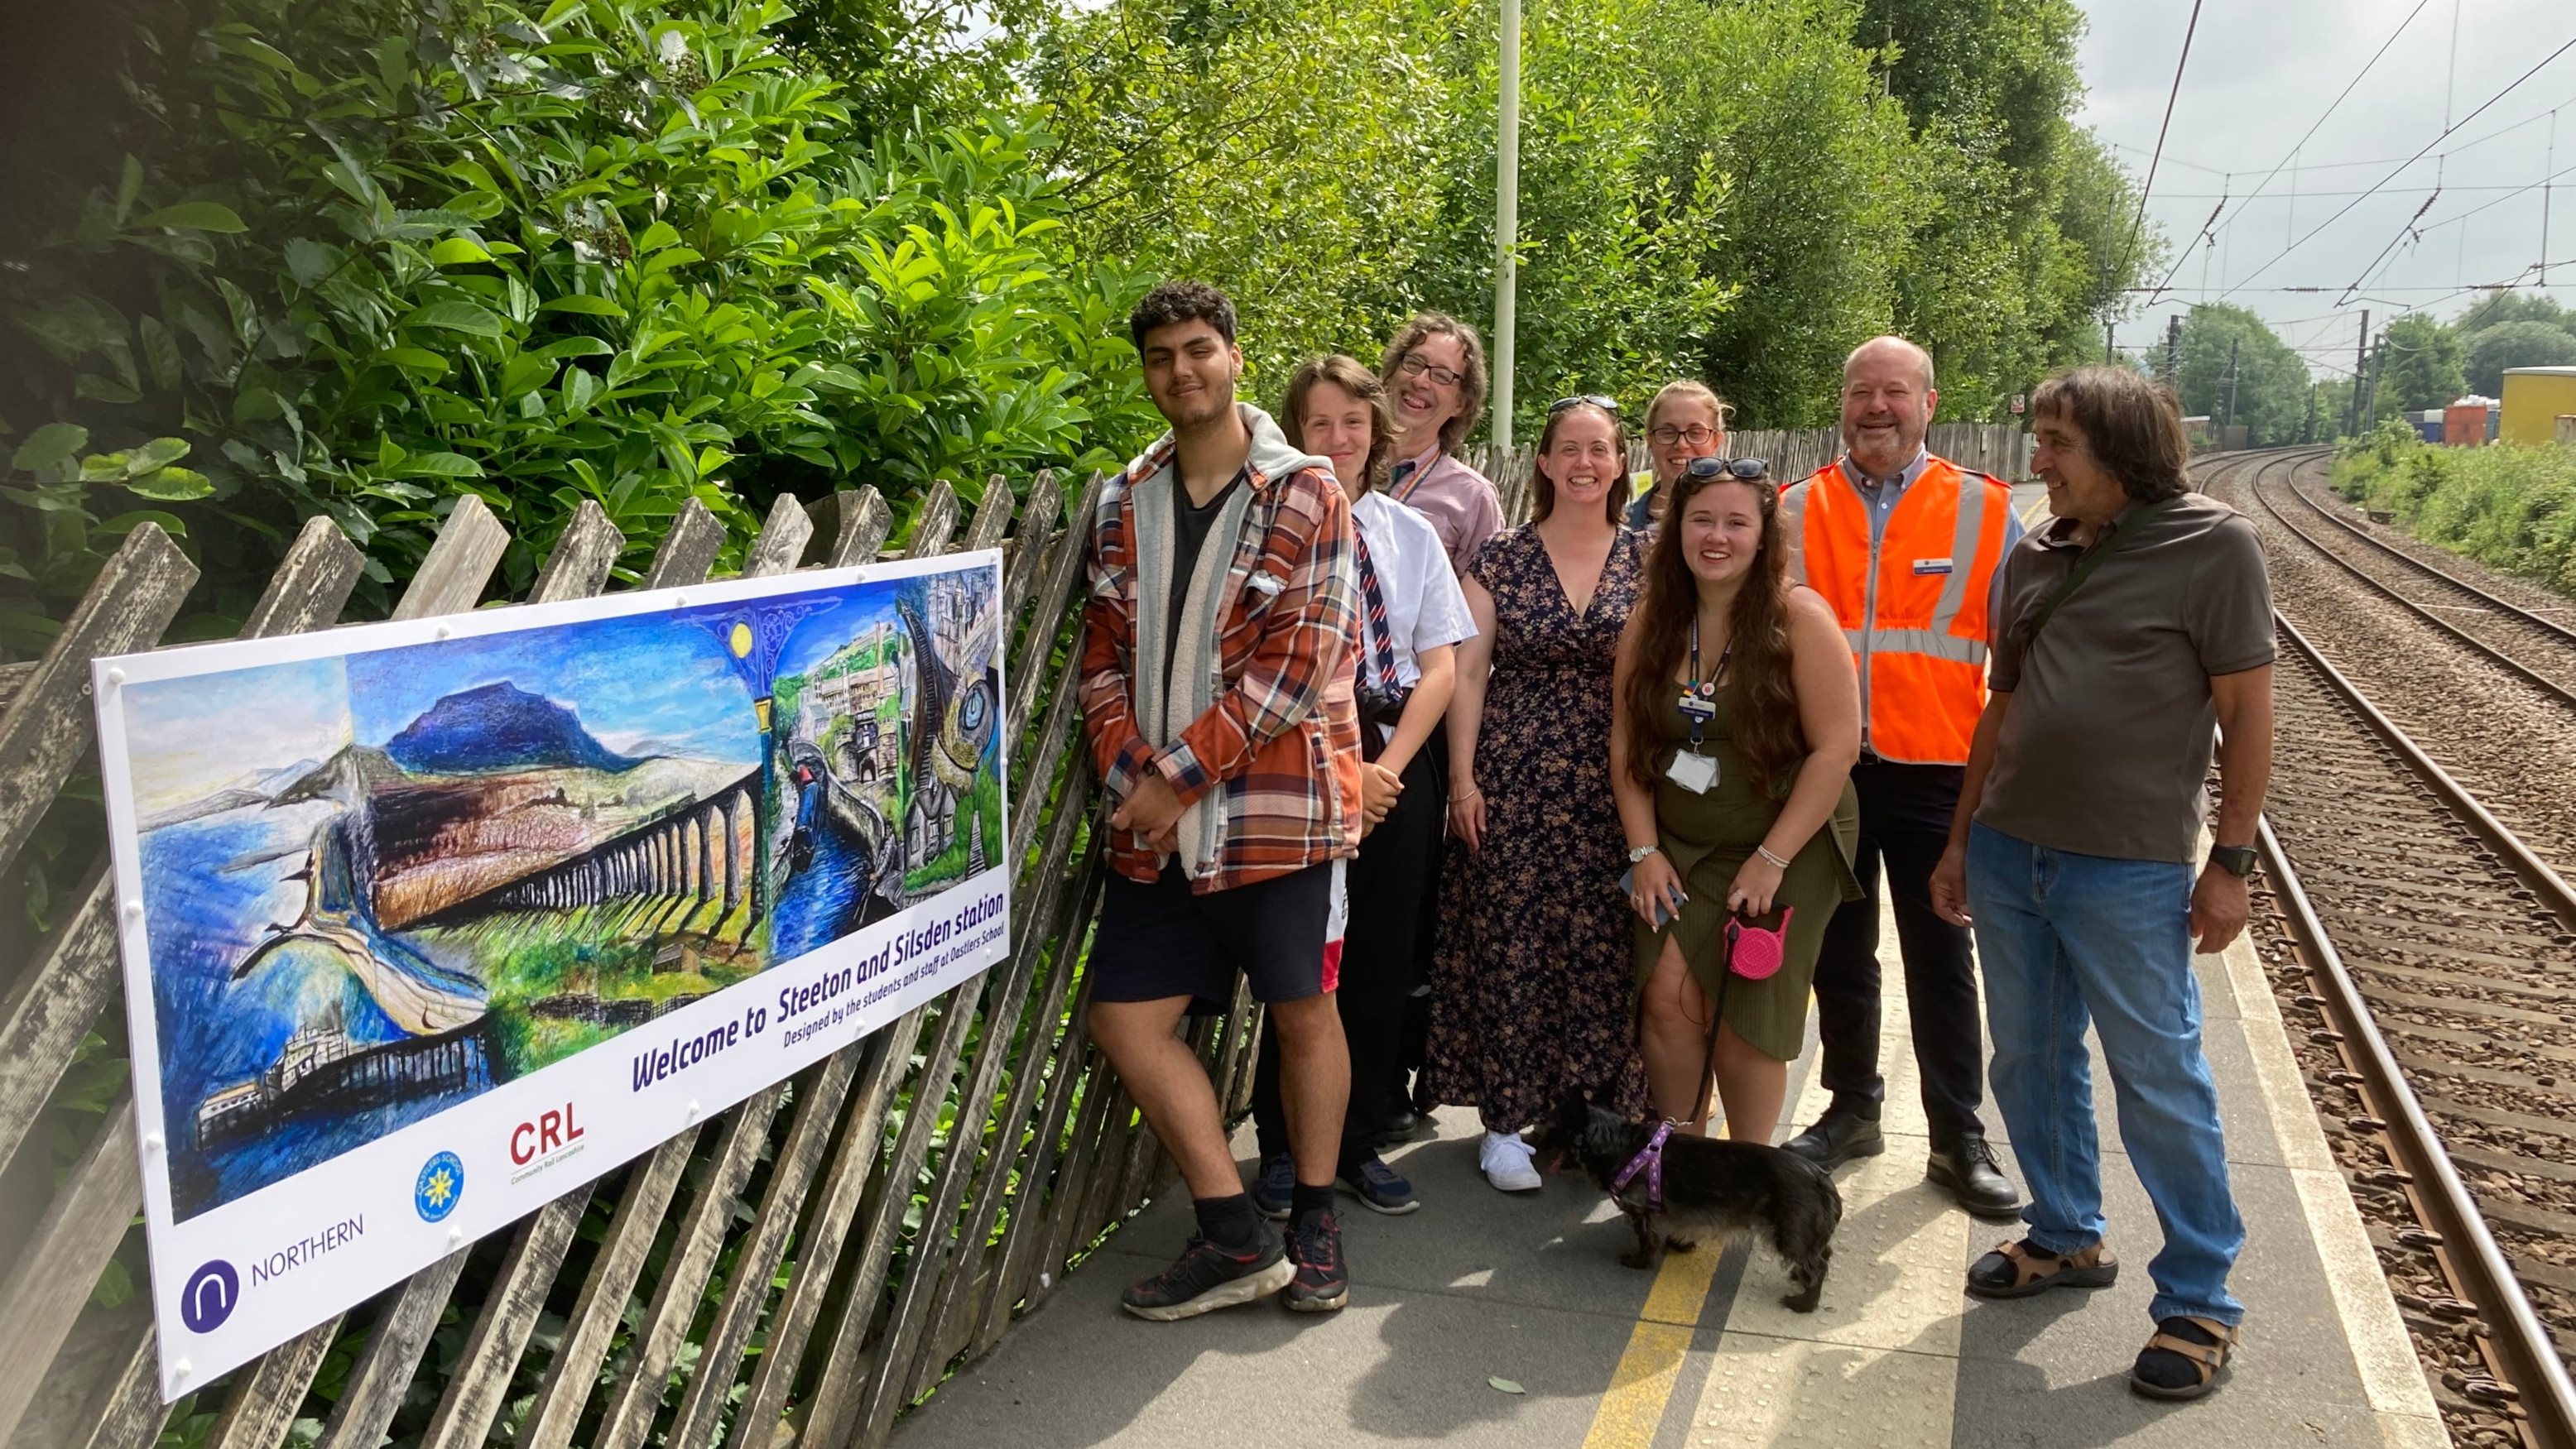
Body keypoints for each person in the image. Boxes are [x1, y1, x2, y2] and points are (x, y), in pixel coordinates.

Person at [1929, 364, 2271, 1401]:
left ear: (2122, 450)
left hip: (2126, 864)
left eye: (2055, 442)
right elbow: (2001, 703)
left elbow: (2245, 717)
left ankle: (2200, 1298)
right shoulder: (2035, 550)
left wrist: (2231, 862)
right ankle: (2067, 1231)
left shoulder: (2214, 546)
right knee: (2029, 1059)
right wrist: (1957, 842)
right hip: (2008, 850)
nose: (2037, 460)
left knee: (2157, 1077)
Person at [1075, 281, 1362, 1320]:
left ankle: (1317, 1216)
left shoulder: (1307, 492)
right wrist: (1131, 775)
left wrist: (1170, 779)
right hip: (1158, 828)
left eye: (1199, 349)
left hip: (1276, 814)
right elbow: (1101, 652)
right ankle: (1235, 1233)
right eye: (1160, 356)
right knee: (1124, 1018)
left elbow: (1295, 667)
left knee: (1302, 1012)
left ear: (1236, 357)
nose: (1181, 370)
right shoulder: (1124, 498)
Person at [1776, 336, 2024, 1220]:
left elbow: (2023, 656)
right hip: (1827, 771)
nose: (1874, 407)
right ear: (1839, 403)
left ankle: (1958, 1134)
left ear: (1928, 402)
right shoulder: (1793, 509)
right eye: (1858, 392)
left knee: (1940, 955)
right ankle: (1851, 1108)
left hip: (1938, 770)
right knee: (1837, 949)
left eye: (1892, 392)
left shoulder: (1985, 511)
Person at [1247, 355, 1473, 1217]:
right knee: (1301, 959)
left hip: (1391, 754)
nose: (1337, 440)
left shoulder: (1409, 535)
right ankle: (1280, 1141)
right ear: (1293, 434)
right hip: (1299, 762)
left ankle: (1357, 1137)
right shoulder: (1269, 533)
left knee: (1380, 955)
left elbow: (1441, 663)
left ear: (1376, 433)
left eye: (1352, 423)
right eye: (1317, 424)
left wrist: (1387, 768)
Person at [1427, 396, 1651, 1192]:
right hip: (1514, 779)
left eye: (1600, 449)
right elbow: (1469, 672)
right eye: (1568, 449)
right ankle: (1503, 1123)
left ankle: (1591, 1114)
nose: (1584, 463)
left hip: (1615, 783)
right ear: (1546, 463)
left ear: (1621, 462)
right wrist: (1462, 780)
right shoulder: (1500, 559)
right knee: (1511, 942)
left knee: (1604, 947)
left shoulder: (1650, 560)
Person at [1612, 458, 1862, 1139]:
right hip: (1678, 844)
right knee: (1666, 995)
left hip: (1787, 838)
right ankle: (1683, 1168)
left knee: (1743, 1008)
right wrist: (1644, 850)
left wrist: (1770, 860)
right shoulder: (1652, 621)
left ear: (1764, 535)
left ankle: (1749, 1171)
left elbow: (1836, 750)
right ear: (1676, 531)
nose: (1716, 536)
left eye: (1735, 522)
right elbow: (1627, 748)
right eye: (1700, 520)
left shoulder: (1798, 617)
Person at [1380, 314, 1507, 575]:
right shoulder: (1342, 460)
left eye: (1441, 375)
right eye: (1414, 363)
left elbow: (1486, 605)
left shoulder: (1474, 498)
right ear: (1391, 374)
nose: (1420, 381)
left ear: (1460, 404)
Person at [1626, 381, 1732, 532]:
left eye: (1695, 433)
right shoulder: (1619, 525)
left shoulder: (1741, 523)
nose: (1681, 444)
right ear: (1650, 441)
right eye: (1668, 432)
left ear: (1716, 442)